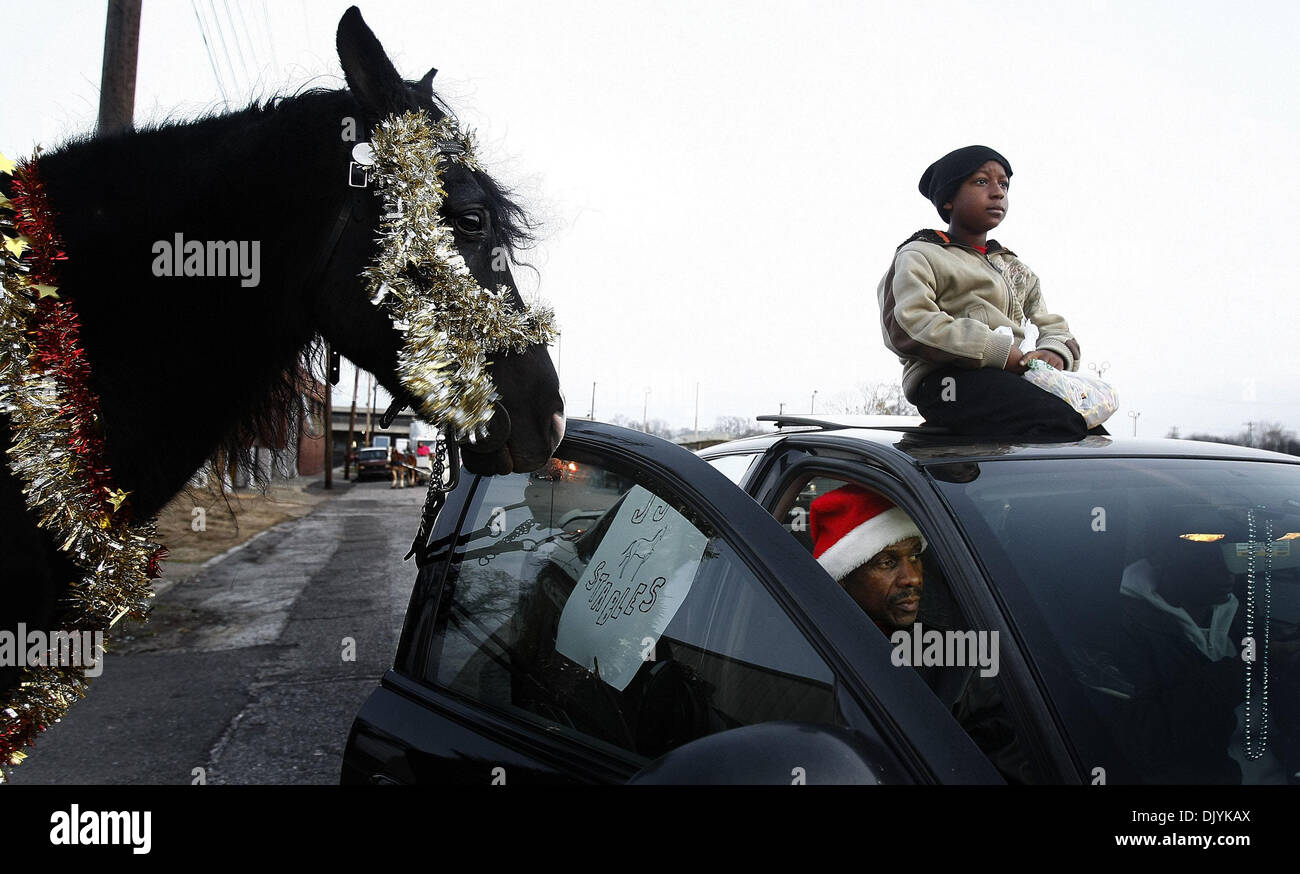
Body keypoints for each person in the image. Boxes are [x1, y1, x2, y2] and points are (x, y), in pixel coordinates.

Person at [810, 483, 1037, 781]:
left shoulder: (959, 655)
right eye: (888, 562)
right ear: (842, 579)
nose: (913, 577)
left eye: (915, 556)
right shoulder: (807, 639)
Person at [877, 145, 1093, 441]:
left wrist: (1054, 351)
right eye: (981, 181)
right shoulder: (920, 254)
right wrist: (996, 351)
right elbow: (908, 325)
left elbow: (1050, 323)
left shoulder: (1014, 267)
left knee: (1092, 433)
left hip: (1015, 379)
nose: (997, 192)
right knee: (1058, 425)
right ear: (949, 199)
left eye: (1003, 184)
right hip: (946, 381)